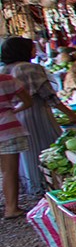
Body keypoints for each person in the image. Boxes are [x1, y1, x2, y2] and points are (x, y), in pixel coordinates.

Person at [2, 36, 76, 194]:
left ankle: (33, 185)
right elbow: (49, 96)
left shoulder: (4, 70)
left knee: (26, 155)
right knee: (46, 149)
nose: (35, 51)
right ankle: (49, 185)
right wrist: (71, 115)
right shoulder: (30, 68)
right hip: (36, 114)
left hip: (15, 116)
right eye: (32, 48)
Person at [0, 72, 33, 219]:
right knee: (9, 171)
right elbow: (28, 102)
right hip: (9, 128)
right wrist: (12, 111)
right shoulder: (7, 79)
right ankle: (11, 209)